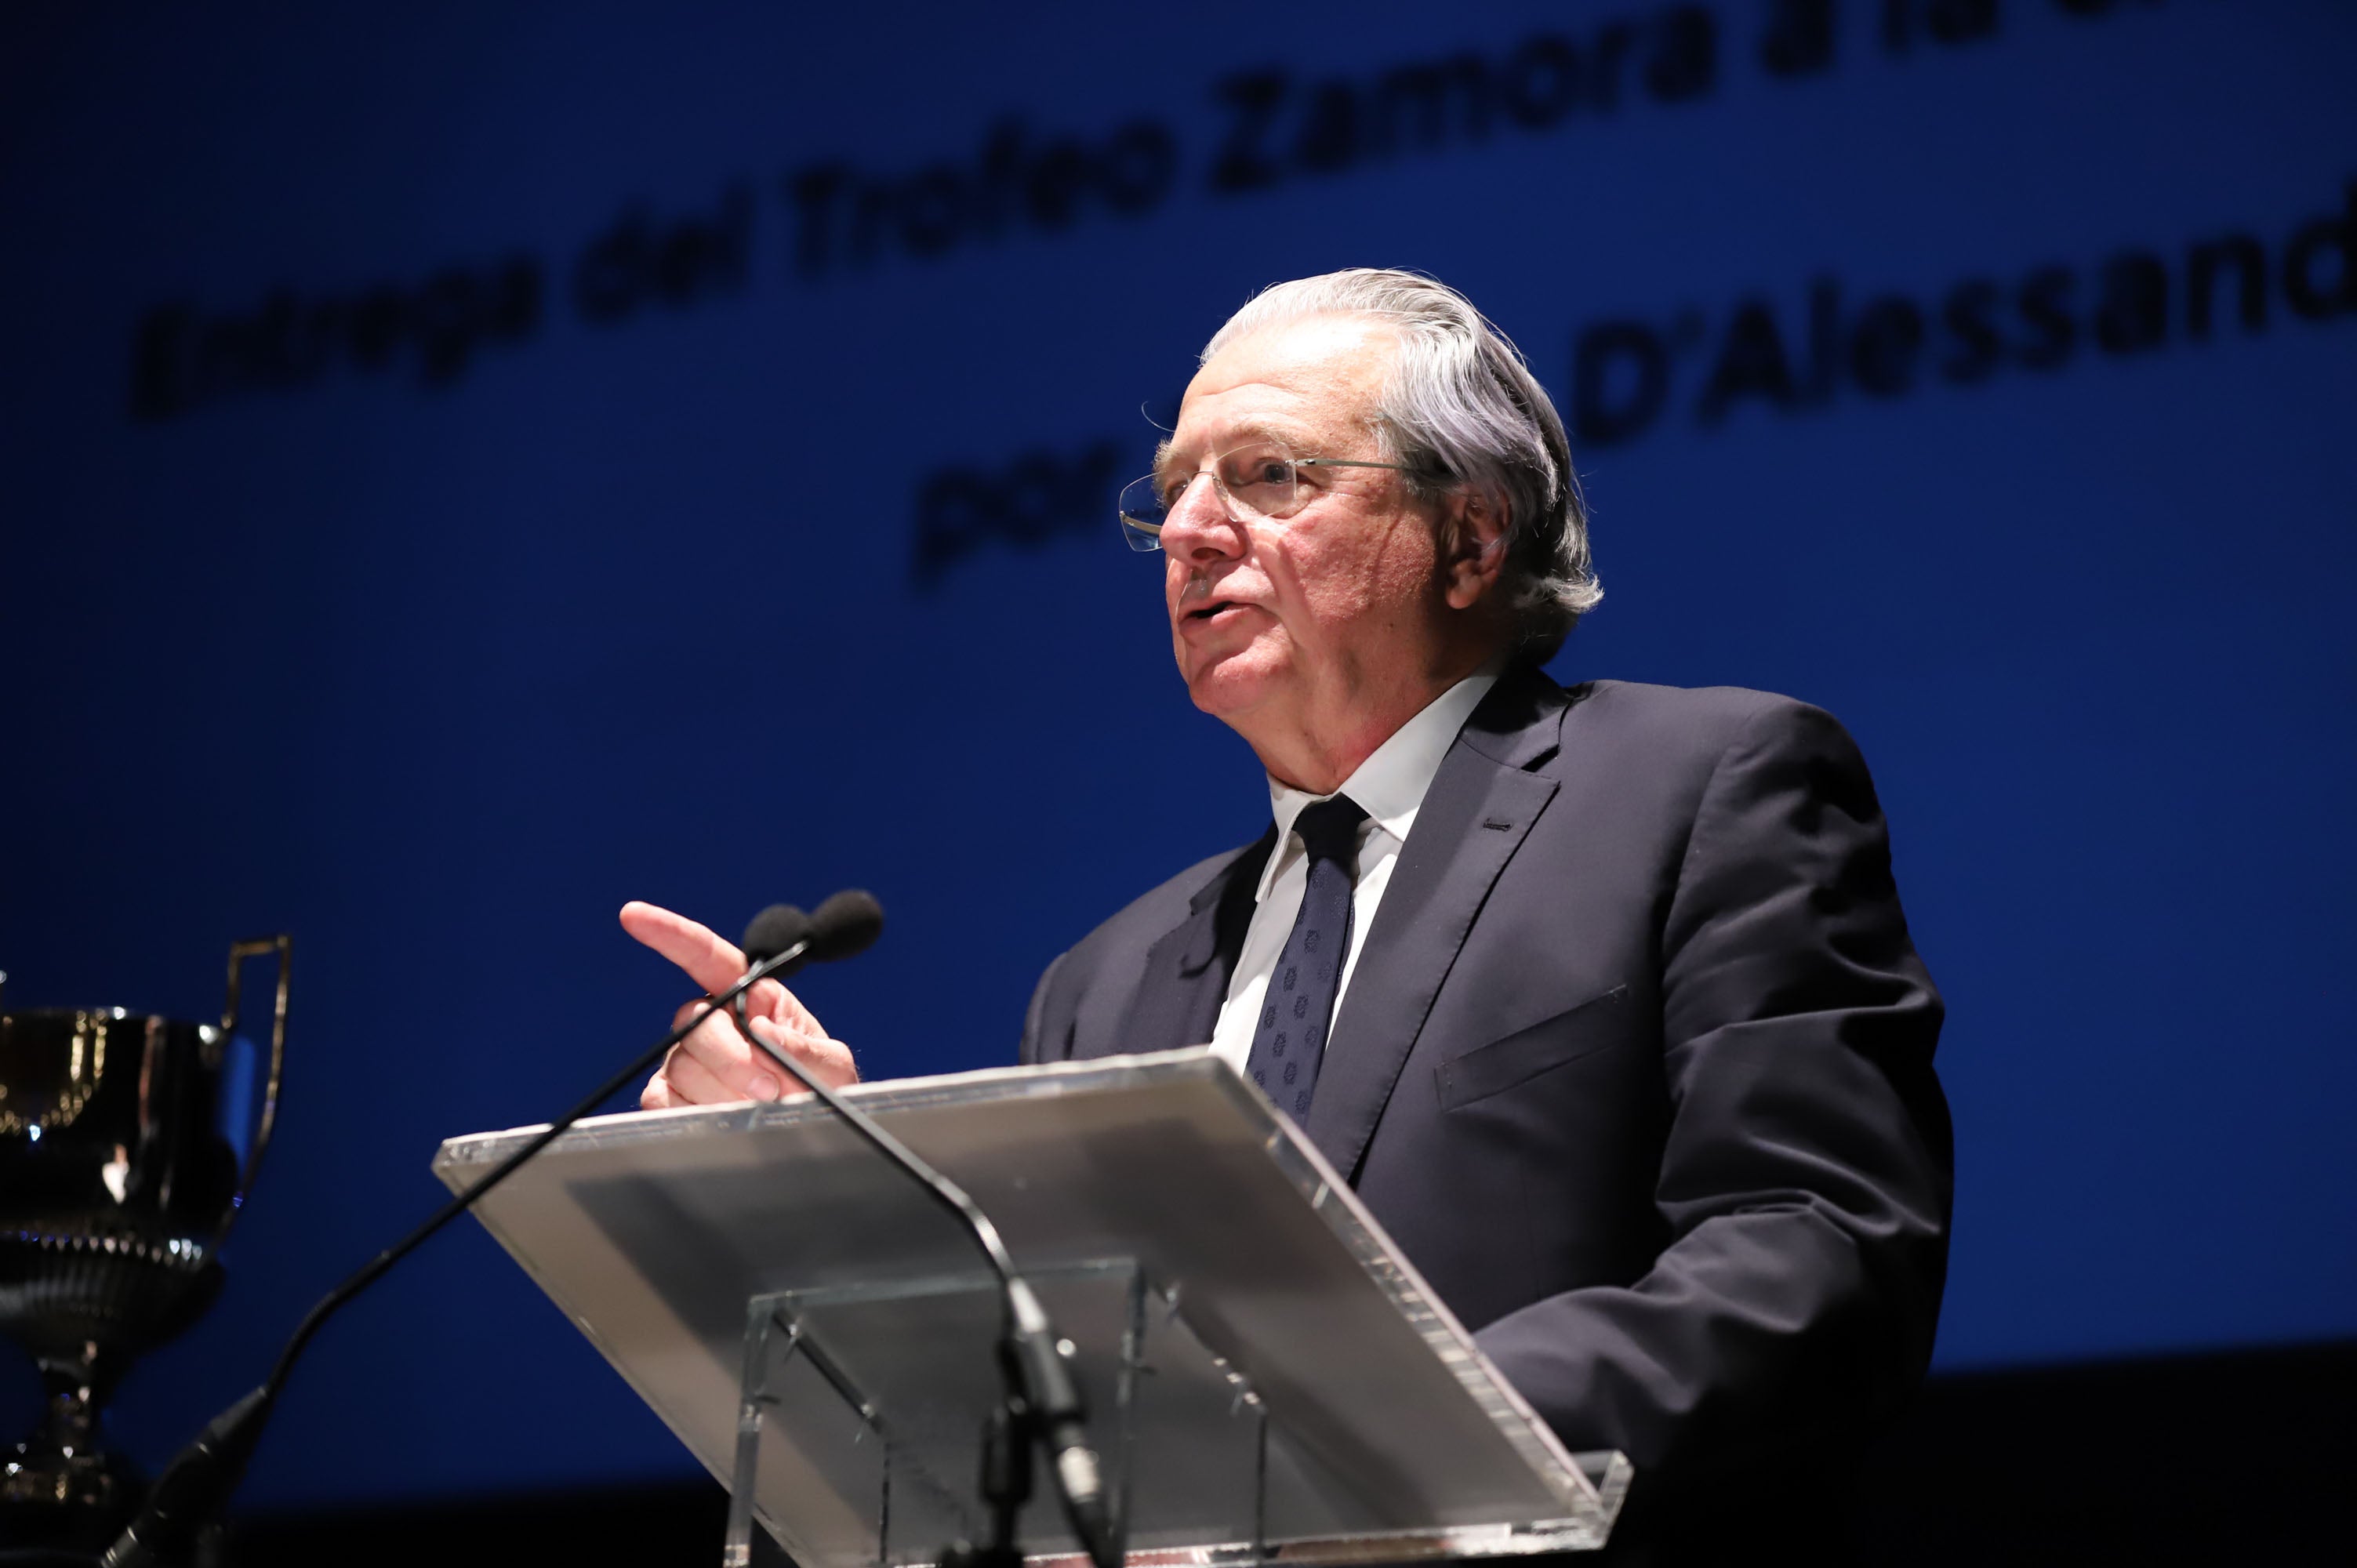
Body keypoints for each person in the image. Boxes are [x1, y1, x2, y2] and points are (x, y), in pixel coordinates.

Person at [624, 270, 1952, 1563]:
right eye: (1173, 493)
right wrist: (829, 1192)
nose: (1192, 529)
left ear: (1470, 537)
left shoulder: (1695, 786)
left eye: (1268, 476)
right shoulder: (1106, 980)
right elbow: (1062, 1397)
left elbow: (1815, 1257)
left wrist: (1371, 1453)